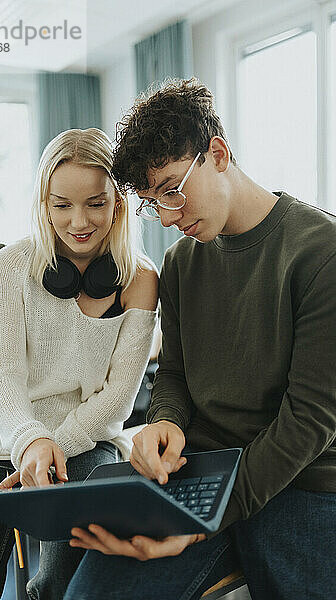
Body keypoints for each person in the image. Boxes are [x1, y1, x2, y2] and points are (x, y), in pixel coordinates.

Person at [64, 79, 336, 600]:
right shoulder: (181, 263)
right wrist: (164, 420)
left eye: (171, 189)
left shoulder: (320, 253)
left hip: (302, 480)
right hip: (201, 468)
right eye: (152, 203)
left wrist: (204, 519)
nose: (168, 217)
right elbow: (174, 373)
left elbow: (311, 420)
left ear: (217, 153)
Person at [0, 128, 158, 600]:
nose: (78, 221)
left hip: (89, 440)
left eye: (95, 203)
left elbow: (119, 400)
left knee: (58, 585)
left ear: (118, 202)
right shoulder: (12, 266)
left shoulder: (140, 277)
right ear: (44, 204)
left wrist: (52, 444)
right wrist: (30, 440)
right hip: (8, 438)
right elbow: (1, 375)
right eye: (62, 205)